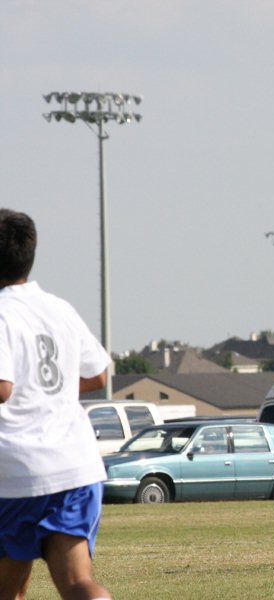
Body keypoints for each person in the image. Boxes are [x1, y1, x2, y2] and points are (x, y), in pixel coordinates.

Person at [0, 209, 113, 600]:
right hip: (75, 465)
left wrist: (25, 390)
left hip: (15, 471)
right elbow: (98, 375)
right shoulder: (59, 308)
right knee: (77, 581)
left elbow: (2, 386)